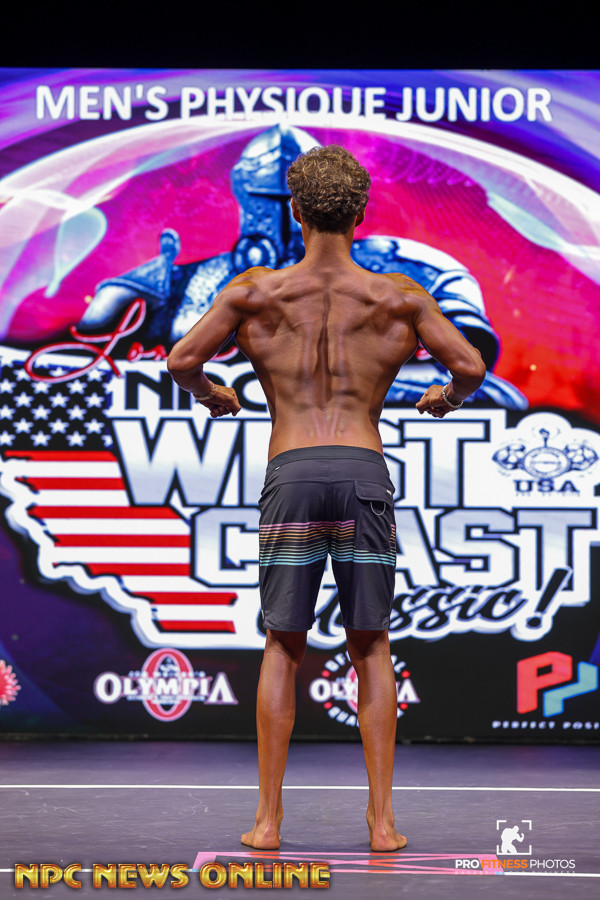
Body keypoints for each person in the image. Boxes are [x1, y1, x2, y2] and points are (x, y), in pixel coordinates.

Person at [167, 145, 486, 853]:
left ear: (297, 211)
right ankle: (382, 824)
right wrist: (443, 398)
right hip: (363, 471)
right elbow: (470, 365)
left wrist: (213, 395)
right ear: (361, 213)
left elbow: (182, 360)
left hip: (293, 472)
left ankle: (267, 823)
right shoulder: (399, 296)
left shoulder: (255, 291)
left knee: (284, 644)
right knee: (370, 644)